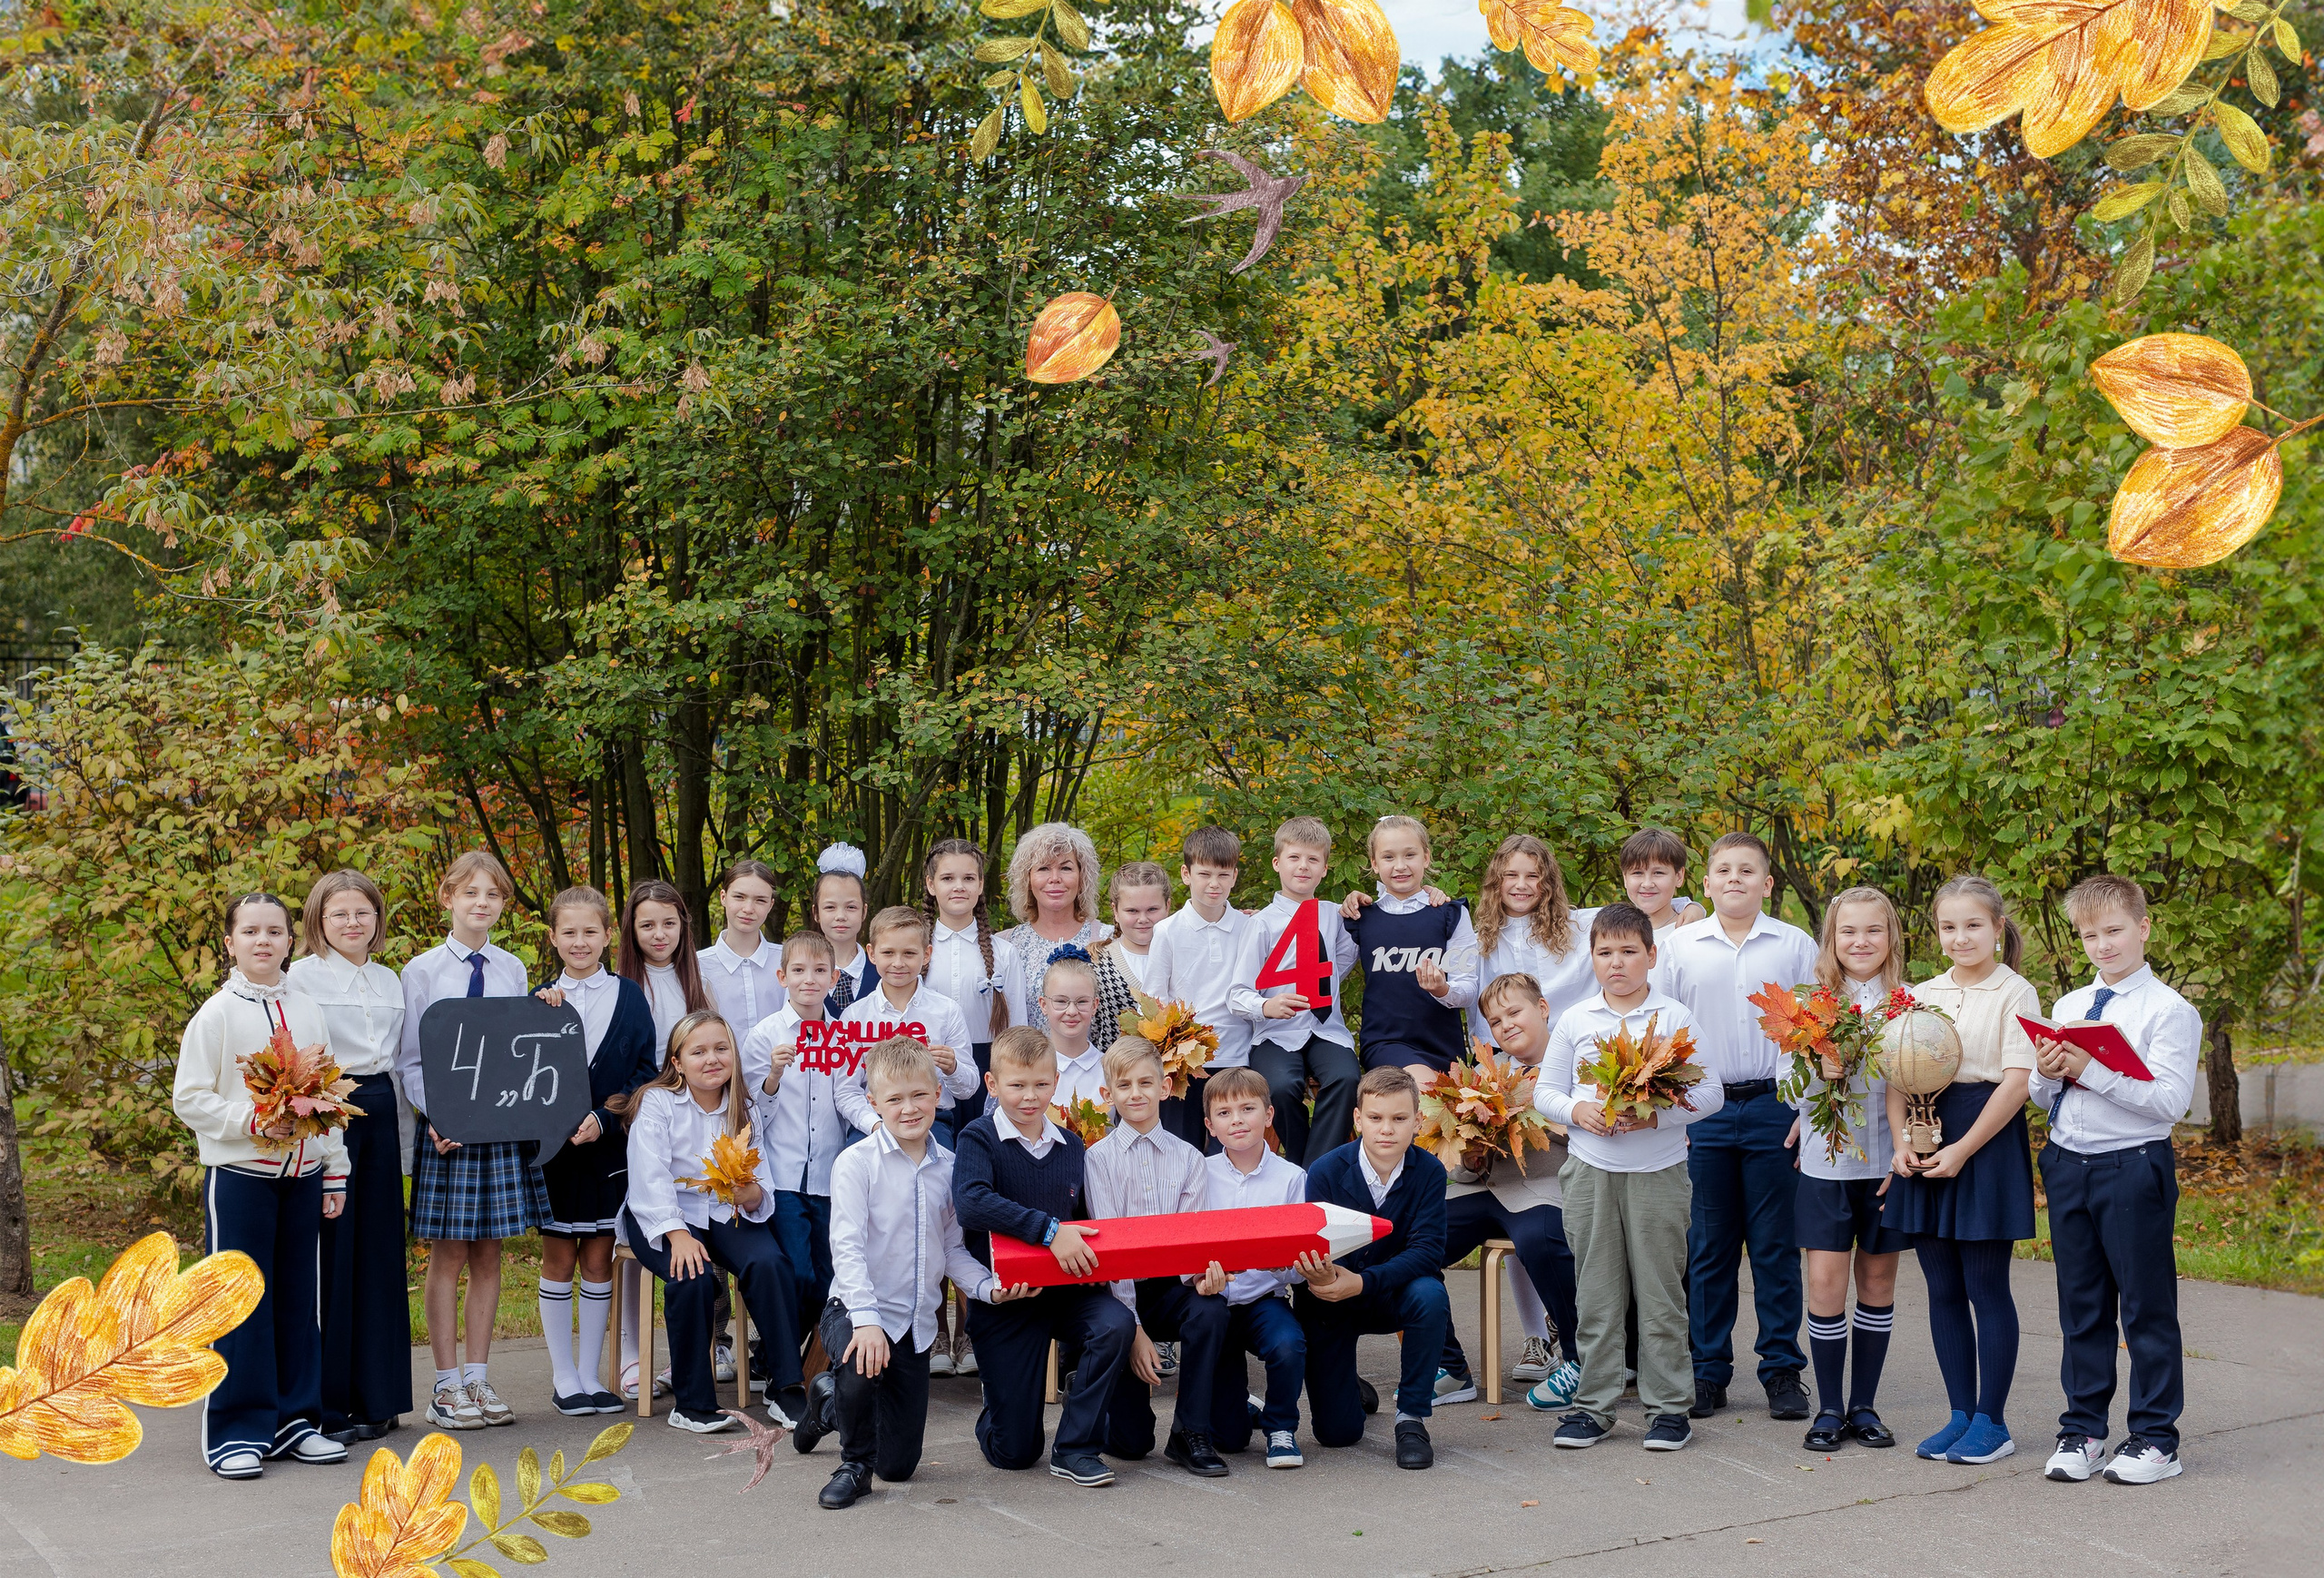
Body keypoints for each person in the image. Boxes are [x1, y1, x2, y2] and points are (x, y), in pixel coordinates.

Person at [791, 1037, 1025, 1508]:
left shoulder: (951, 1168)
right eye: (894, 1099)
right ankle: (853, 1465)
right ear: (873, 1103)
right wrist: (867, 1320)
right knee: (862, 1359)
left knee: (898, 1466)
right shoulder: (856, 1163)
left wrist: (987, 1287)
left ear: (938, 1094)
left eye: (919, 1095)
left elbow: (953, 1248)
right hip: (856, 1310)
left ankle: (828, 1402)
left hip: (915, 1326)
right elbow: (847, 1247)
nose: (909, 1108)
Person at [2032, 874, 2201, 1487]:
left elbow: (2170, 1103)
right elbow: (2043, 1090)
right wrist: (2049, 1072)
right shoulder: (2071, 1005)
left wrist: (2093, 1069)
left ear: (2143, 928)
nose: (2102, 945)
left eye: (2114, 931)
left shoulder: (2170, 1011)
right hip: (2068, 1161)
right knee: (2082, 1307)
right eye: (2089, 935)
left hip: (2133, 1166)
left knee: (2147, 1307)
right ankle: (2084, 1430)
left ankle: (2156, 1438)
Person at [174, 892, 350, 1478]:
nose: (263, 942)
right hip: (241, 1179)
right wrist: (251, 1123)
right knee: (241, 1305)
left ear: (290, 940)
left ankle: (296, 1421)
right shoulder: (217, 1015)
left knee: (299, 1302)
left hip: (302, 1176)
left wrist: (333, 1166)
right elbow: (190, 1099)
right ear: (230, 942)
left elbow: (327, 1090)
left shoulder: (306, 1007)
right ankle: (236, 1432)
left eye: (275, 931)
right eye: (250, 932)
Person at [1536, 902, 1725, 1451]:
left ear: (1650, 955)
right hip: (1591, 1174)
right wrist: (1577, 1111)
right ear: (1591, 958)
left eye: (1627, 952)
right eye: (1604, 953)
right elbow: (1547, 1091)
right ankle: (1594, 1407)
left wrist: (1655, 1113)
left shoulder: (1674, 1019)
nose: (1616, 964)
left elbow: (1710, 1093)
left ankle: (1668, 1410)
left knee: (1661, 1295)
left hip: (1658, 1174)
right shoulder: (1577, 1020)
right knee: (1596, 1296)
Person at [1651, 831, 1817, 1421]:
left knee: (1775, 1247)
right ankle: (1707, 1371)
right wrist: (1673, 1112)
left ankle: (1781, 1371)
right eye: (1724, 870)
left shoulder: (1794, 945)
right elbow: (1663, 1031)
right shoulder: (1681, 947)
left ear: (1767, 883)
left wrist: (1805, 1107)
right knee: (1709, 1247)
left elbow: (1814, 1028)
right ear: (1706, 882)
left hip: (1775, 1104)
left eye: (1748, 871)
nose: (1735, 879)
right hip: (1703, 1112)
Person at [1884, 873, 2039, 1465]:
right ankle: (1958, 1414)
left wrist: (1965, 1149)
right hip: (1925, 1135)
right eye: (1949, 927)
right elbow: (1898, 1071)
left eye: (1973, 925)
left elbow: (2017, 1083)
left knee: (1984, 1285)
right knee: (1941, 1287)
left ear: (1997, 928)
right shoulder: (1922, 992)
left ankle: (1992, 1422)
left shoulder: (2014, 993)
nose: (1960, 937)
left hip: (1983, 1140)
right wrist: (1903, 1142)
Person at [950, 1024, 1136, 1485]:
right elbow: (972, 1202)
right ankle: (1001, 1411)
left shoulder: (1072, 1147)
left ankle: (1075, 1448)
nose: (1029, 1096)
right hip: (1009, 1300)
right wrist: (1048, 1231)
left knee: (1115, 1324)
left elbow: (1087, 1220)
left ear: (1056, 1082)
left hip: (1066, 1294)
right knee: (1014, 1452)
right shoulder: (978, 1138)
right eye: (1016, 1085)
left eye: (1040, 1084)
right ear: (993, 1085)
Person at [397, 850, 542, 1431]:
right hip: (447, 1133)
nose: (482, 904)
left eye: (493, 896)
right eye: (471, 894)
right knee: (448, 1253)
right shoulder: (422, 972)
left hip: (499, 1130)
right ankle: (445, 1384)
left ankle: (479, 1379)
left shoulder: (512, 969)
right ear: (447, 897)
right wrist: (443, 1116)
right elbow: (410, 1063)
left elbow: (518, 1049)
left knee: (489, 1253)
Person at [615, 1010, 804, 1432]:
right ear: (678, 1062)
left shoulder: (742, 1108)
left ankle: (785, 1386)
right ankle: (692, 1403)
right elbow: (650, 1176)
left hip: (723, 1207)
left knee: (770, 1264)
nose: (712, 1059)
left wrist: (751, 1194)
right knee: (693, 1274)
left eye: (721, 1049)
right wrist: (677, 1234)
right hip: (661, 1213)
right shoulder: (657, 1102)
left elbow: (759, 1186)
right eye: (698, 1051)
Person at [1466, 833, 1599, 1385]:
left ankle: (1577, 1352)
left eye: (1532, 876)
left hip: (1556, 1147)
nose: (1521, 886)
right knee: (1422, 1226)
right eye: (1509, 876)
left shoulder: (1580, 926)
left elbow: (1640, 914)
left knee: (1536, 1226)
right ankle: (1460, 1361)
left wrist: (1687, 906)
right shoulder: (1477, 935)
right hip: (1498, 1154)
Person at [288, 870, 411, 1445]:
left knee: (382, 1250)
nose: (352, 923)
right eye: (339, 914)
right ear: (318, 920)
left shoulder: (391, 979)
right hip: (330, 1106)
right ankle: (330, 1404)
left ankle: (379, 1398)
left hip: (382, 1108)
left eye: (362, 912)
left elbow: (402, 1061)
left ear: (376, 918)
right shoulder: (300, 979)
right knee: (335, 1253)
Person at [531, 886, 659, 1416]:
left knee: (600, 1258)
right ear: (554, 938)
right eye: (569, 933)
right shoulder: (539, 999)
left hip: (608, 1149)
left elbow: (646, 1072)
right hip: (556, 1151)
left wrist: (606, 1120)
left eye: (590, 932)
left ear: (609, 935)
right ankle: (564, 1377)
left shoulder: (631, 997)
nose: (580, 942)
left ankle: (592, 1374)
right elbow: (523, 1078)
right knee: (560, 1255)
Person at [1790, 886, 1907, 1453]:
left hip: (1887, 1162)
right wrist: (1821, 1061)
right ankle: (1830, 1407)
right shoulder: (1810, 1004)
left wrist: (1907, 1150)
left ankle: (1865, 1404)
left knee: (1878, 1281)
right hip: (1826, 1163)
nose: (1861, 942)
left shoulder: (1909, 1003)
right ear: (1831, 940)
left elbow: (1922, 1084)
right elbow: (1789, 1082)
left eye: (1874, 931)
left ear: (1891, 938)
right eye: (1849, 932)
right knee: (1825, 1282)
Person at [1083, 1035, 1232, 1475]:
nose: (1136, 1094)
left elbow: (1189, 1244)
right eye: (1124, 1085)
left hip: (1170, 1286)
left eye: (1146, 1083)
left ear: (1165, 1087)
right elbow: (1111, 1254)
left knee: (1211, 1309)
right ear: (1108, 1094)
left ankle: (1191, 1432)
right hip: (1118, 1293)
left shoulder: (1190, 1158)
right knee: (1131, 1445)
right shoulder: (1099, 1159)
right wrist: (1135, 1330)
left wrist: (1201, 1277)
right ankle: (1106, 1398)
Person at [1434, 972, 1581, 1413]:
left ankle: (1580, 1360)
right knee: (1413, 1237)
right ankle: (1451, 1367)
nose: (1505, 1026)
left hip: (1548, 1188)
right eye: (1495, 1021)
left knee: (1540, 1238)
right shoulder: (1486, 1073)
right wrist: (1473, 1157)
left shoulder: (1578, 1065)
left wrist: (1530, 1113)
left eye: (1514, 1012)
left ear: (1542, 1008)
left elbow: (1596, 1137)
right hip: (1486, 1191)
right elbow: (1461, 1166)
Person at [1295, 1064, 1450, 1471]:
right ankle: (1348, 1388)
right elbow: (1321, 1245)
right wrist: (1326, 1277)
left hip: (1391, 1292)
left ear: (1417, 1121)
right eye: (1376, 1118)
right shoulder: (1326, 1170)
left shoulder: (1430, 1172)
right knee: (1337, 1435)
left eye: (1399, 1119)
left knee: (1431, 1294)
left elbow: (1428, 1251)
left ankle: (1412, 1417)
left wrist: (1363, 1282)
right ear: (1357, 1118)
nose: (1387, 1130)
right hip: (1332, 1300)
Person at [615, 877, 714, 1395]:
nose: (658, 934)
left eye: (669, 924)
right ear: (631, 928)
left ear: (683, 927)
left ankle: (684, 1355)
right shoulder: (621, 985)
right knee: (644, 1231)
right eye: (647, 924)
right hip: (636, 1114)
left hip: (691, 1118)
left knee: (691, 1233)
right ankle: (633, 1354)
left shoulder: (694, 983)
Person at [1229, 816, 1360, 1168]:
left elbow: (1341, 962)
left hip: (1325, 1029)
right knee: (1281, 1087)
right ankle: (1303, 1168)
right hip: (1275, 1033)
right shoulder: (1261, 924)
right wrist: (1267, 1005)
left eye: (1313, 860)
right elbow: (1237, 994)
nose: (1303, 866)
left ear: (1325, 870)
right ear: (1277, 863)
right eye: (1294, 858)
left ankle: (1316, 1169)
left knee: (1347, 1079)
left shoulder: (1335, 917)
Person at [743, 932, 847, 1360]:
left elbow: (847, 1099)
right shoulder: (764, 1035)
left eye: (820, 971)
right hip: (782, 1175)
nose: (809, 980)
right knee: (796, 1272)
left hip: (829, 1173)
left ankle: (779, 1356)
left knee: (827, 1281)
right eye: (799, 971)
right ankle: (778, 1356)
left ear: (834, 977)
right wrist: (772, 1077)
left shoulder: (844, 1036)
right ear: (783, 976)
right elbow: (750, 1119)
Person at [1199, 1066, 1308, 1468]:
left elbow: (1300, 1267)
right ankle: (1240, 1406)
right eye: (1224, 1114)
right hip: (1215, 1305)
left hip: (1265, 1297)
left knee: (1288, 1344)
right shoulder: (1199, 1174)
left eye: (1247, 1109)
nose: (1238, 1120)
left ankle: (1281, 1427)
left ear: (1269, 1115)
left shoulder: (1293, 1180)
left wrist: (1285, 1266)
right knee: (1229, 1441)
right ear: (1210, 1126)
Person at [1340, 814, 1478, 1076]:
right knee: (1422, 1091)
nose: (1400, 866)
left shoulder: (1451, 914)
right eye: (1389, 857)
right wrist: (1268, 922)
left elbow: (1469, 988)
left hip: (1444, 1046)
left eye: (1410, 855)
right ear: (1375, 863)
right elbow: (1329, 975)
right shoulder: (1361, 917)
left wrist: (1442, 989)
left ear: (1426, 858)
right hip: (1385, 1043)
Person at [1145, 824, 1253, 1151]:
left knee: (1230, 1149)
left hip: (1236, 1056)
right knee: (1182, 1147)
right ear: (1186, 874)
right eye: (1204, 874)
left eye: (1223, 875)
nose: (1214, 884)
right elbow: (1153, 1000)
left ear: (1234, 876)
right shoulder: (1167, 931)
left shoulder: (1250, 928)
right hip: (1184, 1065)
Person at [834, 907, 980, 1146]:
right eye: (888, 953)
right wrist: (876, 1126)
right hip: (874, 1121)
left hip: (932, 1121)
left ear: (927, 954)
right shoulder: (854, 1017)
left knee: (942, 1171)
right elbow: (845, 1090)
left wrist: (953, 1067)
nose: (898, 963)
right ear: (872, 953)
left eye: (909, 953)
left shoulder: (947, 1011)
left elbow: (968, 1088)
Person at [921, 836, 1025, 1140]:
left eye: (968, 878)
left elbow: (1017, 1030)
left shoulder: (1004, 953)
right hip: (927, 1068)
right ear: (931, 884)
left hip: (987, 1071)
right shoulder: (915, 950)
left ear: (980, 885)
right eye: (947, 878)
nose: (959, 887)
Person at [996, 821, 1112, 1027]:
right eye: (1043, 868)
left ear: (1082, 876)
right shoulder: (1004, 945)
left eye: (1066, 868)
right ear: (1028, 879)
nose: (1055, 878)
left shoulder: (1107, 941)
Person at [699, 859, 783, 1039]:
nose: (748, 908)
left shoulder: (787, 961)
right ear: (723, 897)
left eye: (760, 900)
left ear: (771, 905)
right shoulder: (698, 966)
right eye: (739, 897)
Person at [1092, 861, 1171, 1031]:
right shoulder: (1098, 964)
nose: (1143, 919)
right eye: (1132, 911)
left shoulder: (1184, 957)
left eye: (1152, 909)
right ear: (1115, 911)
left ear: (1167, 906)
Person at [1032, 944, 1108, 1108]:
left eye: (1081, 1002)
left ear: (1094, 1005)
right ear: (1044, 1005)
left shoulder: (1109, 1069)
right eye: (1061, 1001)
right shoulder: (1029, 1066)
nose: (1072, 1011)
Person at [812, 843, 880, 1014]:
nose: (840, 916)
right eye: (830, 907)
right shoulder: (801, 974)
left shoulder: (882, 971)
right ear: (816, 912)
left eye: (850, 907)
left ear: (864, 911)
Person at [1620, 827, 1707, 939]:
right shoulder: (1607, 930)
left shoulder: (1693, 932)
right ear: (1625, 878)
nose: (1647, 884)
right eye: (1637, 873)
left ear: (1679, 876)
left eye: (1658, 873)